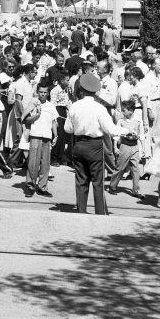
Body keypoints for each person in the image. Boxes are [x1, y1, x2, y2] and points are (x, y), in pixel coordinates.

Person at [64, 73, 123, 214]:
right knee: (98, 182)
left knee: (81, 181)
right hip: (95, 145)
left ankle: (81, 211)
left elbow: (68, 128)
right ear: (96, 91)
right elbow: (111, 130)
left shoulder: (75, 106)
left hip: (79, 144)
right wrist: (126, 130)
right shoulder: (100, 108)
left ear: (82, 89)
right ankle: (100, 212)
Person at [22, 82, 58, 197]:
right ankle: (30, 185)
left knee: (45, 164)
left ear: (48, 93)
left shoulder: (51, 106)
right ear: (37, 92)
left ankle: (43, 187)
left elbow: (53, 121)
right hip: (35, 135)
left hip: (47, 136)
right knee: (33, 162)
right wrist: (36, 115)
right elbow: (26, 119)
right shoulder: (33, 103)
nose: (43, 94)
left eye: (45, 92)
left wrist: (55, 135)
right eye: (41, 92)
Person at [109, 99, 143, 198]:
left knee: (136, 169)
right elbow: (116, 135)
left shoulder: (138, 121)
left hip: (135, 146)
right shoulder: (121, 121)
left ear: (131, 111)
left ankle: (135, 190)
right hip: (124, 146)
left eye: (124, 110)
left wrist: (143, 148)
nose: (122, 112)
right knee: (120, 167)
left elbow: (141, 135)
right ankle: (112, 186)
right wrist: (115, 147)